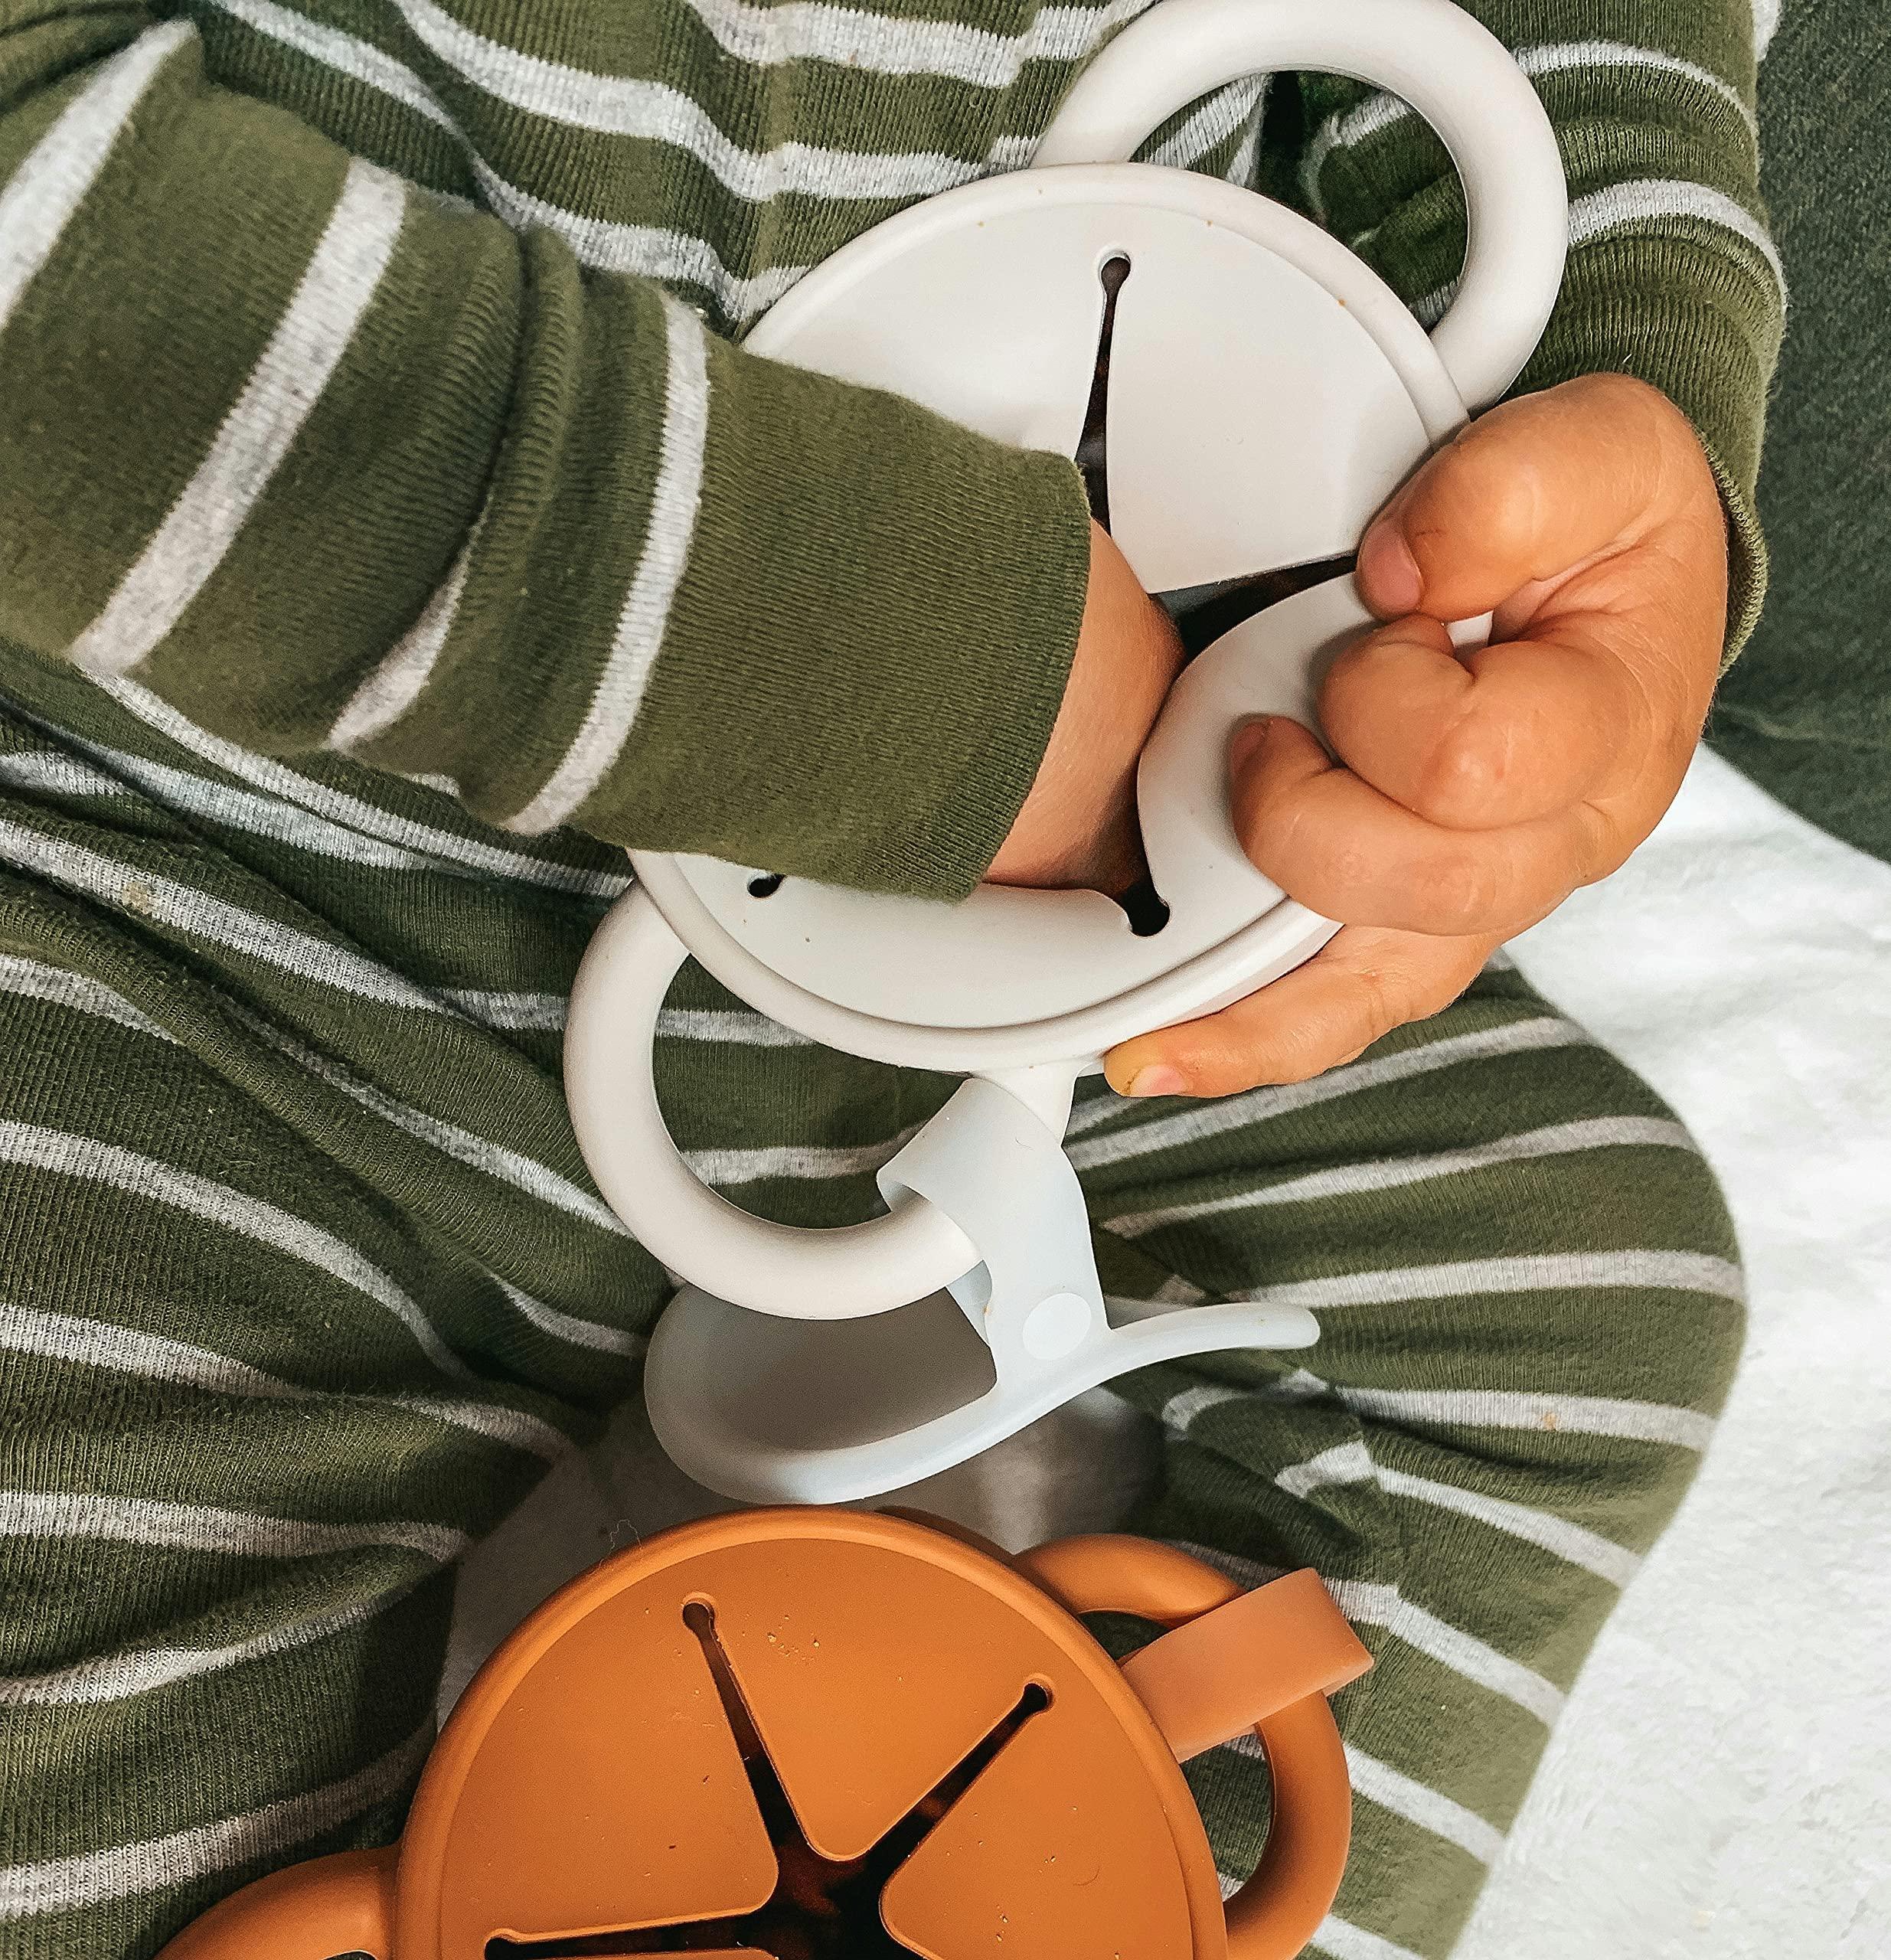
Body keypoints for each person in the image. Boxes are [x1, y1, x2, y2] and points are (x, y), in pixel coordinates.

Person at [0, 2, 1778, 1956]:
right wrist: (880, 661)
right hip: (200, 917)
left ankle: (1064, 1872)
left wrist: (1607, 420)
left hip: (1125, 962)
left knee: (1576, 1293)